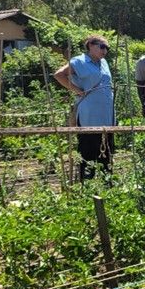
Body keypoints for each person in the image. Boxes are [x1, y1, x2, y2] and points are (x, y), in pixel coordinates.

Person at [54, 35, 115, 181]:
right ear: (91, 46)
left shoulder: (104, 63)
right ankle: (86, 182)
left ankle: (106, 182)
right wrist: (77, 90)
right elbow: (59, 75)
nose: (105, 50)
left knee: (107, 148)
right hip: (89, 113)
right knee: (88, 147)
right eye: (102, 46)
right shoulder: (79, 61)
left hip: (106, 113)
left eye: (107, 48)